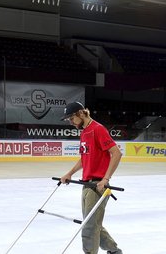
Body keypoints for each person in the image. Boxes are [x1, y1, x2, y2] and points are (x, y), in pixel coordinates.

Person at [59, 101, 123, 254]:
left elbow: (116, 153)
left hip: (97, 185)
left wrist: (105, 179)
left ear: (81, 113)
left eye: (71, 118)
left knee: (89, 226)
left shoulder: (97, 129)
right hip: (86, 184)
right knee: (92, 224)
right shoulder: (84, 132)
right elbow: (84, 158)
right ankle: (114, 251)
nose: (70, 122)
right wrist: (69, 173)